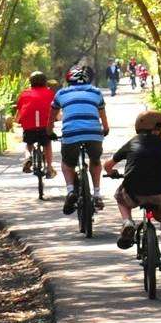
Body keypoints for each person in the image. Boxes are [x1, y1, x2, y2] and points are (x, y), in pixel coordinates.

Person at [104, 110, 161, 272]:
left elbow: (108, 165)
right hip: (160, 194)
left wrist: (112, 173)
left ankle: (127, 221)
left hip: (133, 192)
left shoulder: (132, 142)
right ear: (157, 129)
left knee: (120, 197)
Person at [48, 66, 110, 215]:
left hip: (71, 134)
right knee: (95, 161)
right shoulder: (96, 92)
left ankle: (70, 191)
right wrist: (105, 129)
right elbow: (102, 115)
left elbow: (51, 117)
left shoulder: (61, 93)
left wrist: (49, 132)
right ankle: (96, 194)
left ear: (68, 80)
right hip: (94, 133)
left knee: (68, 163)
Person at [15, 71, 56, 179]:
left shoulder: (24, 93)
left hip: (29, 125)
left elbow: (19, 112)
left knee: (29, 144)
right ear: (45, 82)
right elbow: (55, 109)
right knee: (47, 144)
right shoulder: (50, 93)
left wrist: (17, 122)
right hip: (45, 125)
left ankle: (28, 157)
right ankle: (49, 167)